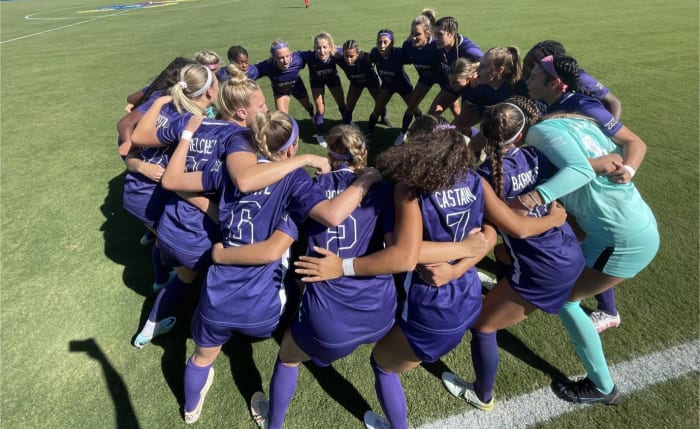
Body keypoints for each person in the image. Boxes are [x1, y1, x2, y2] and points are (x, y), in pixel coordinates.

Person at [294, 115, 567, 429]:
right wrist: (464, 260)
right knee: (471, 332)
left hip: (432, 309)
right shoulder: (473, 177)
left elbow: (404, 256)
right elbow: (488, 234)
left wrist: (340, 266)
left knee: (383, 365)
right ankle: (483, 394)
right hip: (468, 297)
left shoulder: (411, 188)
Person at [181, 111, 382, 424]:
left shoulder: (232, 171)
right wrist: (367, 178)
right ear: (294, 145)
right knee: (298, 313)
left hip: (215, 295)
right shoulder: (296, 181)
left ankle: (190, 410)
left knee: (201, 356)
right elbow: (328, 216)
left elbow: (174, 182)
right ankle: (317, 354)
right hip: (263, 311)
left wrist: (214, 218)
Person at [440, 96, 586, 412]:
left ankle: (482, 395)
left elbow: (510, 229)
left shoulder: (482, 178)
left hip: (543, 267)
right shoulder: (537, 155)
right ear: (520, 135)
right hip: (568, 251)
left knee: (482, 325)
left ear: (484, 132)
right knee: (507, 259)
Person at [516, 111, 658, 405]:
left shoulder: (539, 133)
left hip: (620, 238)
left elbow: (579, 170)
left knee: (566, 299)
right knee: (574, 268)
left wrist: (532, 198)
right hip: (631, 221)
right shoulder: (579, 124)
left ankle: (602, 386)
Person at [131, 72, 270, 348]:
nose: (267, 109)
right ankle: (209, 341)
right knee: (215, 276)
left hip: (168, 227)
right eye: (263, 106)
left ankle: (148, 329)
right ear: (242, 112)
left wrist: (158, 103)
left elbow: (139, 135)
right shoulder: (239, 141)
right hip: (197, 237)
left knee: (184, 275)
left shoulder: (192, 121)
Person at [526, 54, 647, 331]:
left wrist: (627, 170)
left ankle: (608, 310)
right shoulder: (540, 97)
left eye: (533, 75)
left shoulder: (583, 105)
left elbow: (632, 141)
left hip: (596, 198)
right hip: (574, 194)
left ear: (556, 83)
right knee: (579, 245)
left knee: (594, 251)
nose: (527, 80)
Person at [126, 64, 219, 296]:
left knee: (160, 238)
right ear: (209, 92)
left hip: (134, 190)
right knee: (171, 248)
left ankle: (160, 279)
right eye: (217, 82)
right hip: (151, 196)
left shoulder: (168, 107)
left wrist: (158, 102)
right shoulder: (188, 121)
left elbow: (136, 139)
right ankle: (166, 290)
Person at [522, 40, 622, 120]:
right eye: (526, 63)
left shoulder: (580, 81)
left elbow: (613, 101)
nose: (525, 70)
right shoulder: (533, 82)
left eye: (530, 65)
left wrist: (612, 128)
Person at [394, 9, 440, 145]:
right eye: (412, 33)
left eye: (418, 34)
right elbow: (401, 57)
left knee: (453, 109)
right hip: (425, 79)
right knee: (411, 107)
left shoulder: (437, 45)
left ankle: (464, 134)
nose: (414, 37)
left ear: (428, 33)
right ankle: (403, 133)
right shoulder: (408, 46)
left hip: (443, 81)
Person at [248, 40, 316, 122]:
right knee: (282, 119)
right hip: (281, 92)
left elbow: (314, 55)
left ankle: (311, 113)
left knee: (307, 106)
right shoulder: (267, 66)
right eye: (281, 58)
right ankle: (289, 133)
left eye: (287, 56)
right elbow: (251, 71)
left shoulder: (298, 59)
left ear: (290, 53)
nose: (285, 61)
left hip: (297, 87)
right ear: (273, 57)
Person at [429, 16, 483, 118]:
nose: (435, 38)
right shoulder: (438, 45)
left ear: (452, 33)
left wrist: (470, 69)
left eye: (439, 34)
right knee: (432, 115)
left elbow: (486, 62)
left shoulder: (468, 50)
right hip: (452, 86)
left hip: (470, 89)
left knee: (463, 125)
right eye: (434, 34)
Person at [366, 29, 417, 139]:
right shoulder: (375, 53)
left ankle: (425, 129)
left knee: (414, 108)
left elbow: (413, 55)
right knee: (377, 108)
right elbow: (367, 60)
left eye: (385, 42)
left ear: (392, 43)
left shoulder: (399, 53)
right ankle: (369, 133)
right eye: (379, 42)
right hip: (387, 86)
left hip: (403, 85)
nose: (382, 45)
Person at [299, 32, 347, 148]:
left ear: (330, 47)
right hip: (317, 82)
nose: (322, 51)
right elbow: (295, 55)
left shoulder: (336, 53)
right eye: (318, 48)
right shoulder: (309, 56)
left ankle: (348, 124)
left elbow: (352, 51)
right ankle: (320, 134)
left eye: (324, 47)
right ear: (314, 48)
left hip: (332, 79)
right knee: (320, 109)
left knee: (342, 104)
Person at [335, 39, 392, 128]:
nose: (348, 59)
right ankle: (346, 127)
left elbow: (380, 57)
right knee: (349, 105)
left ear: (358, 54)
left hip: (371, 82)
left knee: (380, 101)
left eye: (351, 56)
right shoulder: (340, 59)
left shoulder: (366, 59)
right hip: (356, 83)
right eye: (346, 56)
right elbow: (331, 48)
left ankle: (384, 118)